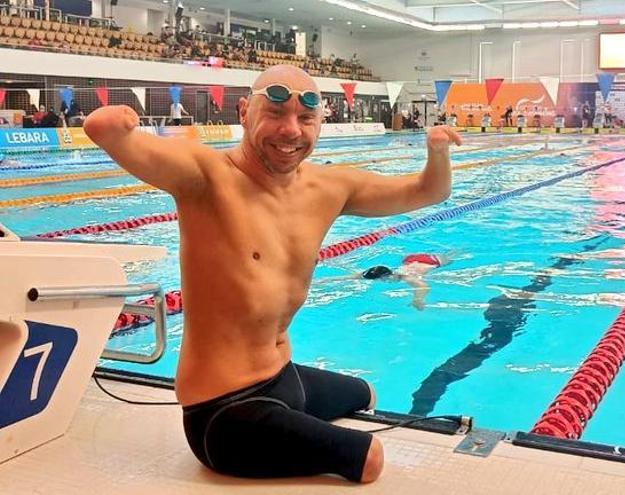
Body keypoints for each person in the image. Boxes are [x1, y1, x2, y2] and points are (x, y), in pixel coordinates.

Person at [83, 65, 462, 484]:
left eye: (305, 119)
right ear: (244, 112)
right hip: (224, 412)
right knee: (368, 459)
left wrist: (438, 151)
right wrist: (115, 124)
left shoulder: (329, 187)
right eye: (276, 113)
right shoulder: (205, 177)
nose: (290, 131)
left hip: (283, 378)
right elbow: (103, 130)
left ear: (321, 121)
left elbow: (429, 191)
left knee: (365, 394)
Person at [354, 253, 451, 310]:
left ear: (384, 277)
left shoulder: (405, 277)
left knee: (452, 255)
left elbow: (423, 286)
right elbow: (360, 276)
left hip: (432, 262)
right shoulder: (390, 273)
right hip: (411, 260)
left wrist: (417, 300)